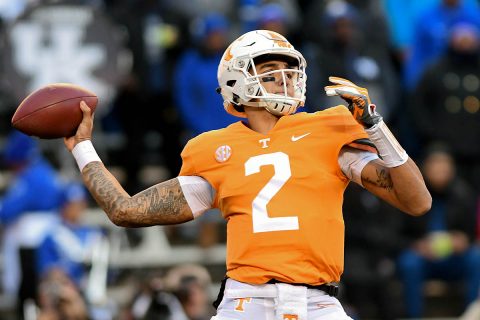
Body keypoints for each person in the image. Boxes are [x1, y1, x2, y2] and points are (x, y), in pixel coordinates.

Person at [64, 30, 431, 319]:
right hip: (245, 303)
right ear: (238, 82)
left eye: (289, 71)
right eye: (271, 74)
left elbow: (416, 201)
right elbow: (124, 210)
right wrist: (82, 146)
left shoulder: (329, 129)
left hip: (319, 302)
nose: (286, 80)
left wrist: (374, 124)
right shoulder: (212, 149)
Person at [397, 143, 480, 318]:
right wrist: (418, 245)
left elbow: (472, 234)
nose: (440, 169)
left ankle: (471, 313)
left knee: (476, 257)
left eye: (445, 164)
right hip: (423, 258)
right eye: (436, 163)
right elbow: (396, 233)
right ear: (424, 166)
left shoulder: (464, 194)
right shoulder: (411, 192)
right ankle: (414, 315)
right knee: (409, 262)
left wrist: (462, 240)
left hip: (454, 258)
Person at [0, 130, 64, 319]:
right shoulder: (42, 169)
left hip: (32, 240)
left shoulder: (32, 175)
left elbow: (7, 210)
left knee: (29, 291)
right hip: (43, 234)